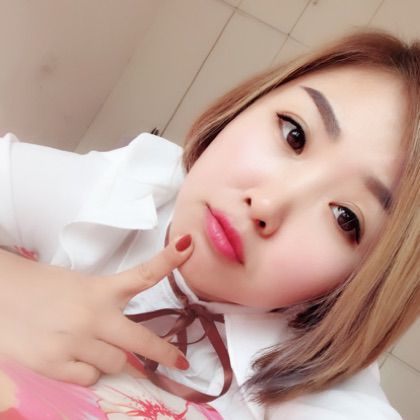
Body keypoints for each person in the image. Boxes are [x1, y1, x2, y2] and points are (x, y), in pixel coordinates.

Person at [0, 30, 418, 419]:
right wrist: (14, 287)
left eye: (346, 217)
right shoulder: (132, 191)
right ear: (249, 104)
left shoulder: (327, 397)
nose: (267, 204)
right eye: (295, 134)